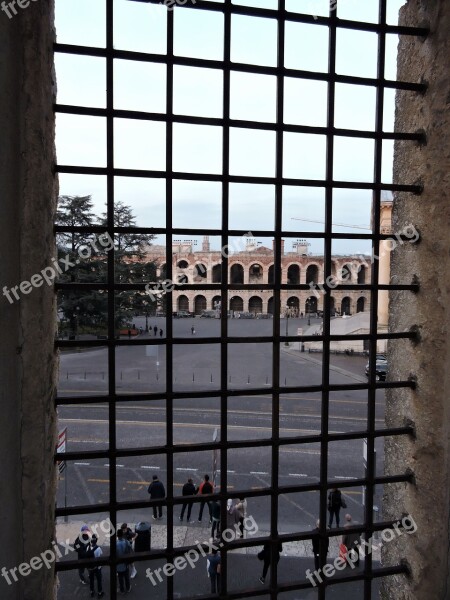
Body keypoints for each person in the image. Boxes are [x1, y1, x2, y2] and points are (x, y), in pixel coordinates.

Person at [116, 529, 132, 594]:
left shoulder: (115, 544)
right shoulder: (126, 542)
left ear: (117, 535)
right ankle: (128, 588)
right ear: (122, 535)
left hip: (118, 564)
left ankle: (122, 590)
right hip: (125, 564)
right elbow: (130, 550)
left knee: (120, 578)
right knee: (126, 577)